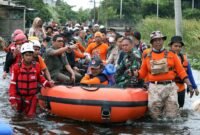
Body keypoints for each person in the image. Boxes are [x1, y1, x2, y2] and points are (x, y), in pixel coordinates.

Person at [133, 31, 194, 120]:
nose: (158, 42)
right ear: (152, 42)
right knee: (155, 116)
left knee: (172, 116)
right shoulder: (147, 57)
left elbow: (182, 72)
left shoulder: (172, 55)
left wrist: (189, 85)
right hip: (154, 88)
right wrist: (136, 74)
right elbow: (142, 73)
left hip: (170, 87)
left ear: (163, 41)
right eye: (155, 40)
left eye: (160, 40)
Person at [9, 42, 54, 117]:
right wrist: (13, 99)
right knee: (18, 116)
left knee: (31, 116)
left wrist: (47, 83)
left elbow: (40, 78)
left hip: (32, 96)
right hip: (19, 96)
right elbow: (12, 85)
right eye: (26, 55)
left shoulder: (37, 65)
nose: (29, 57)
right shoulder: (16, 67)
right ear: (22, 56)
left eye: (30, 55)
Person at [169, 35, 199, 107]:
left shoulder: (184, 59)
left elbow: (189, 74)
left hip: (180, 89)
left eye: (179, 46)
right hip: (168, 89)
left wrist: (194, 87)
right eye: (175, 46)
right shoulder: (165, 57)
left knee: (180, 108)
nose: (178, 48)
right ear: (171, 46)